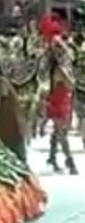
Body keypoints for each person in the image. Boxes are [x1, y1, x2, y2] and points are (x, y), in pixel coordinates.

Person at [46, 40, 77, 174]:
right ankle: (69, 161)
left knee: (57, 131)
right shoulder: (60, 69)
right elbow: (70, 84)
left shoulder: (59, 68)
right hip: (59, 103)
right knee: (61, 133)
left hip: (61, 101)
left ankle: (52, 157)